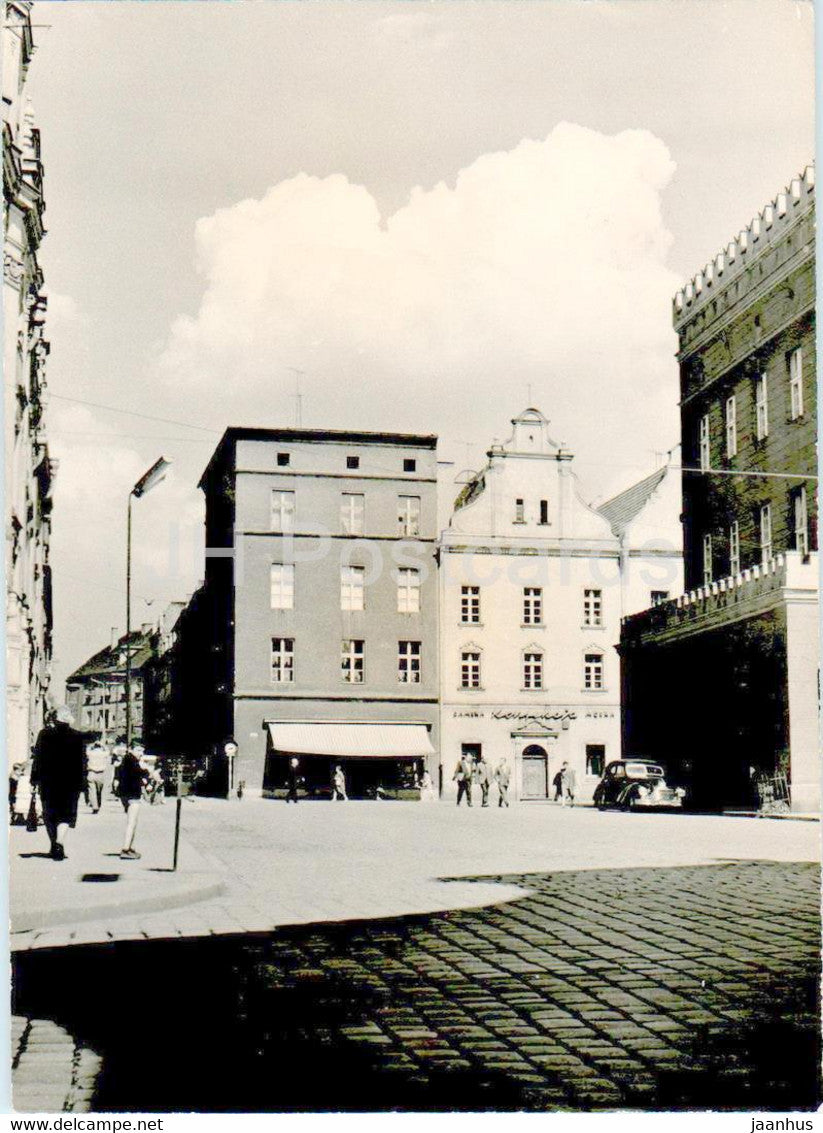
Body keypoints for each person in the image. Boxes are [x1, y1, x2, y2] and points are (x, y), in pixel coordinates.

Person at [30, 706, 87, 861]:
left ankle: (53, 844)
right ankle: (60, 842)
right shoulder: (78, 736)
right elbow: (82, 763)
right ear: (68, 719)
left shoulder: (44, 735)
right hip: (70, 783)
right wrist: (83, 784)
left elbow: (37, 759)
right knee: (66, 814)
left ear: (55, 718)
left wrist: (33, 779)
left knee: (50, 814)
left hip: (48, 782)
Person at [113, 742, 148, 860]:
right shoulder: (132, 761)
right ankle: (126, 848)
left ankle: (130, 847)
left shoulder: (126, 759)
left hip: (125, 794)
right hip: (132, 794)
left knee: (132, 821)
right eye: (138, 750)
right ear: (131, 749)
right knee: (132, 822)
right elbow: (138, 773)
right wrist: (146, 771)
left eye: (142, 751)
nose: (141, 753)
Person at [85, 741, 108, 813]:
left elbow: (87, 750)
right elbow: (108, 750)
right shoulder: (103, 753)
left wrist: (91, 745)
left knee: (92, 791)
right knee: (99, 791)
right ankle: (98, 804)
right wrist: (103, 745)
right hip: (101, 774)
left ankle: (95, 806)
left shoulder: (90, 753)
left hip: (91, 772)